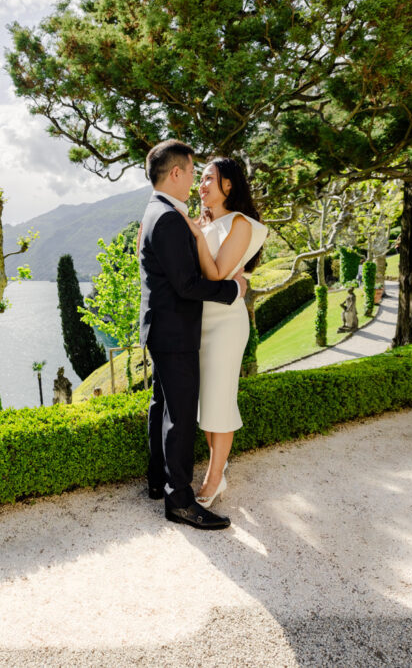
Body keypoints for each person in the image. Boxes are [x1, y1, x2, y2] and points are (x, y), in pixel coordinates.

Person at [138, 139, 247, 531]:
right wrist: (232, 291)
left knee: (162, 407)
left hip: (162, 326)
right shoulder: (167, 217)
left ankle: (157, 481)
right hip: (175, 328)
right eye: (192, 171)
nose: (195, 182)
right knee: (180, 416)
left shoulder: (156, 212)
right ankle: (180, 501)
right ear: (177, 173)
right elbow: (186, 285)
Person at [183, 157, 268, 508]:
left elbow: (217, 275)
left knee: (220, 399)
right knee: (206, 403)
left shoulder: (240, 224)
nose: (201, 185)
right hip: (197, 321)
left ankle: (214, 478)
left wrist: (196, 234)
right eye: (200, 179)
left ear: (228, 185)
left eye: (208, 178)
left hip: (225, 325)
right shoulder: (201, 224)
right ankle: (219, 462)